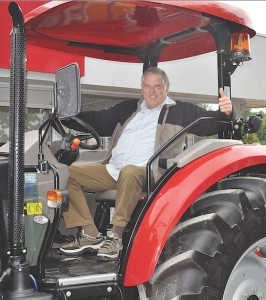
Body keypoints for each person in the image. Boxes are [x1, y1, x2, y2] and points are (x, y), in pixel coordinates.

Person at [59, 67, 235, 260]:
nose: (152, 91)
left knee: (130, 172)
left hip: (150, 173)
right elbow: (100, 120)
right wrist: (71, 118)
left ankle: (116, 236)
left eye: (157, 86)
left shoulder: (181, 111)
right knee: (70, 173)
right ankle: (90, 234)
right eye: (147, 86)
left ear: (166, 88)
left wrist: (226, 114)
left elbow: (210, 123)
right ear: (142, 88)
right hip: (113, 170)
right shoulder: (129, 109)